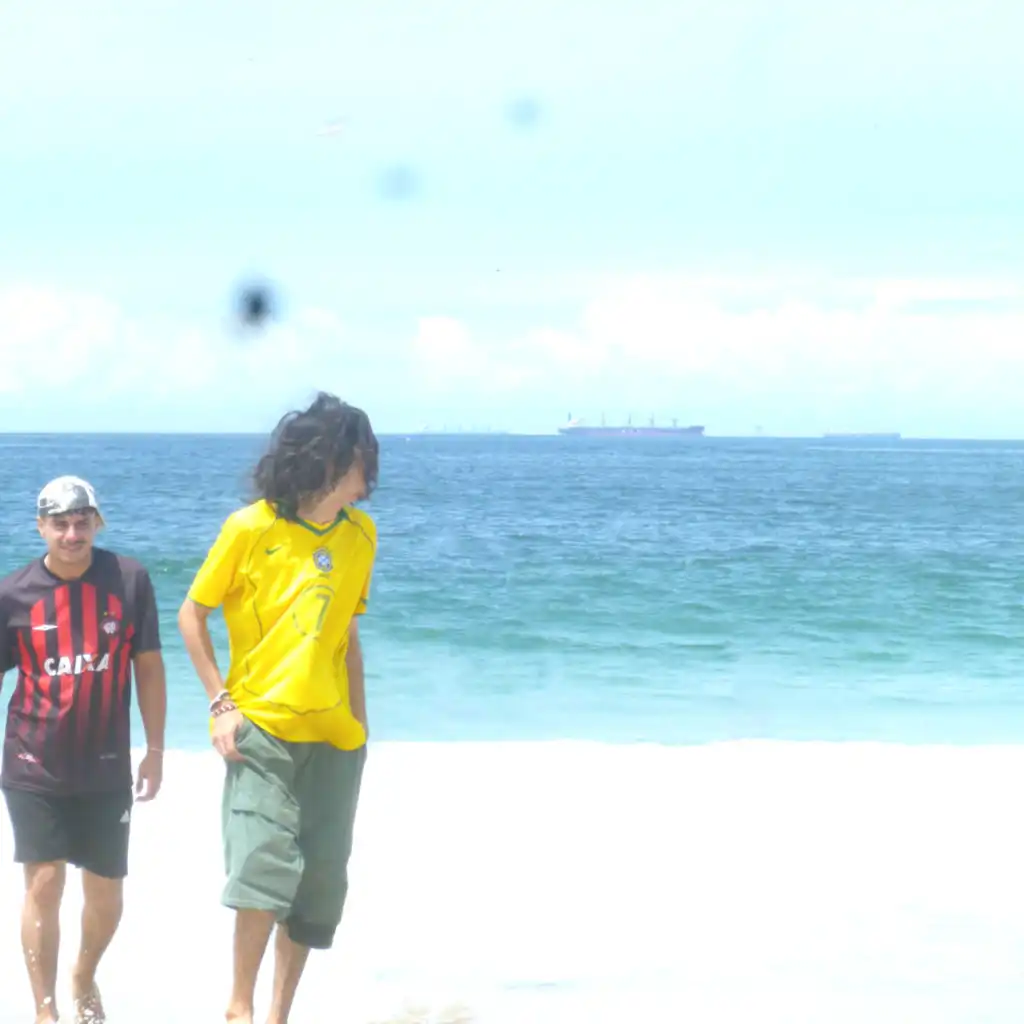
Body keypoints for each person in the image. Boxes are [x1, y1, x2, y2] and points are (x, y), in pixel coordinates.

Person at [177, 392, 378, 1024]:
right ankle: (239, 1007)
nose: (370, 472)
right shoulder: (250, 527)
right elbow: (192, 615)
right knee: (262, 869)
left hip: (335, 738)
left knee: (318, 890)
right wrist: (220, 704)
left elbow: (346, 634)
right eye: (361, 458)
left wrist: (361, 729)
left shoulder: (361, 535)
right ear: (328, 459)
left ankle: (277, 1015)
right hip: (261, 729)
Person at [0, 475, 167, 1024]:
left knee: (106, 892)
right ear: (40, 528)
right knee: (43, 883)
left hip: (105, 765)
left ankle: (84, 973)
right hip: (32, 761)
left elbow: (149, 666)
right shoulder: (13, 594)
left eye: (81, 522)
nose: (72, 534)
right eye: (60, 524)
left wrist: (156, 748)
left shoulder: (129, 580)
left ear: (97, 522)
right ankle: (45, 1010)